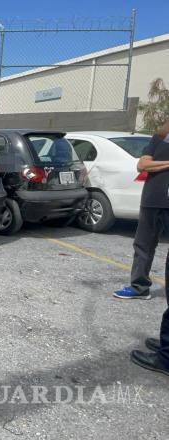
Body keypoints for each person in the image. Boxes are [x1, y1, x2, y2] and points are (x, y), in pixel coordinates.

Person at [115, 119, 169, 376]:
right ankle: (139, 286)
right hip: (153, 200)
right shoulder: (159, 138)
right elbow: (142, 164)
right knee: (144, 245)